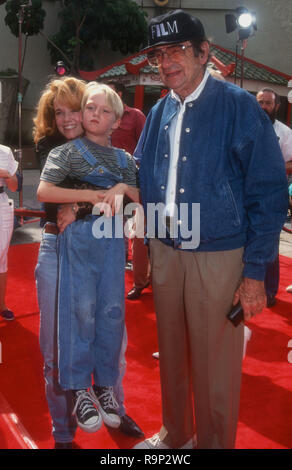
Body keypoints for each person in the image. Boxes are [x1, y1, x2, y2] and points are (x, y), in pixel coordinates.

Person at [133, 10, 288, 450]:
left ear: (205, 53)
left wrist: (255, 271)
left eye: (178, 50)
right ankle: (176, 433)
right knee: (173, 352)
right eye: (159, 54)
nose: (166, 62)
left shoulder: (238, 107)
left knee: (215, 363)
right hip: (165, 249)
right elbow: (142, 174)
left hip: (218, 254)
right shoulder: (160, 109)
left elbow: (269, 192)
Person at [34, 78, 142, 448]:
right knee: (57, 347)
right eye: (57, 112)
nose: (67, 118)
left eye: (73, 109)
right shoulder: (56, 148)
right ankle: (63, 431)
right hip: (57, 247)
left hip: (104, 246)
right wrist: (90, 198)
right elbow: (47, 195)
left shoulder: (116, 155)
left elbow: (131, 202)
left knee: (113, 333)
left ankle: (115, 405)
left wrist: (98, 198)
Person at [107, 80, 150, 300]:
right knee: (113, 223)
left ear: (120, 94)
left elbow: (146, 147)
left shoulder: (135, 116)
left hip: (134, 180)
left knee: (139, 230)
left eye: (111, 92)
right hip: (106, 180)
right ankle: (119, 260)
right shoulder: (102, 116)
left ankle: (142, 277)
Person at [256, 88, 292, 307]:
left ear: (276, 106)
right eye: (260, 102)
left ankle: (269, 291)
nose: (263, 107)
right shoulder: (244, 128)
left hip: (272, 195)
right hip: (244, 195)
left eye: (268, 103)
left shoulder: (285, 133)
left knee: (269, 243)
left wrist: (273, 168)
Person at [0, 145, 19, 321]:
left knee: (1, 258)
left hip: (1, 204)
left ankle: (2, 304)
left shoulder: (5, 151)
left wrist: (6, 174)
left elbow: (14, 187)